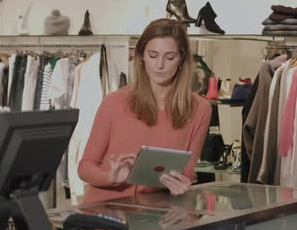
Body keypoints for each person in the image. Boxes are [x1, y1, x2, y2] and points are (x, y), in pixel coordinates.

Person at [78, 18, 212, 204]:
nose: (160, 65)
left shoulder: (200, 109)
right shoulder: (114, 102)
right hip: (107, 211)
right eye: (153, 55)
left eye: (170, 57)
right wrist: (111, 177)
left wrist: (181, 184)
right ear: (141, 56)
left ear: (181, 58)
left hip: (158, 213)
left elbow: (187, 170)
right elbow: (85, 167)